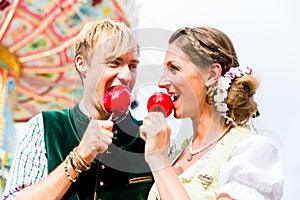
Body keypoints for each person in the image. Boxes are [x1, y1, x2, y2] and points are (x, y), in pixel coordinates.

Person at [3, 19, 154, 199]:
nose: (126, 76)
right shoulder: (44, 127)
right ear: (82, 64)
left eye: (133, 66)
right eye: (114, 63)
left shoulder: (149, 139)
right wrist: (80, 156)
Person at [140, 26, 284, 199]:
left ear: (212, 74)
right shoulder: (179, 153)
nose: (162, 82)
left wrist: (160, 164)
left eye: (174, 69)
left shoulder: (252, 152)